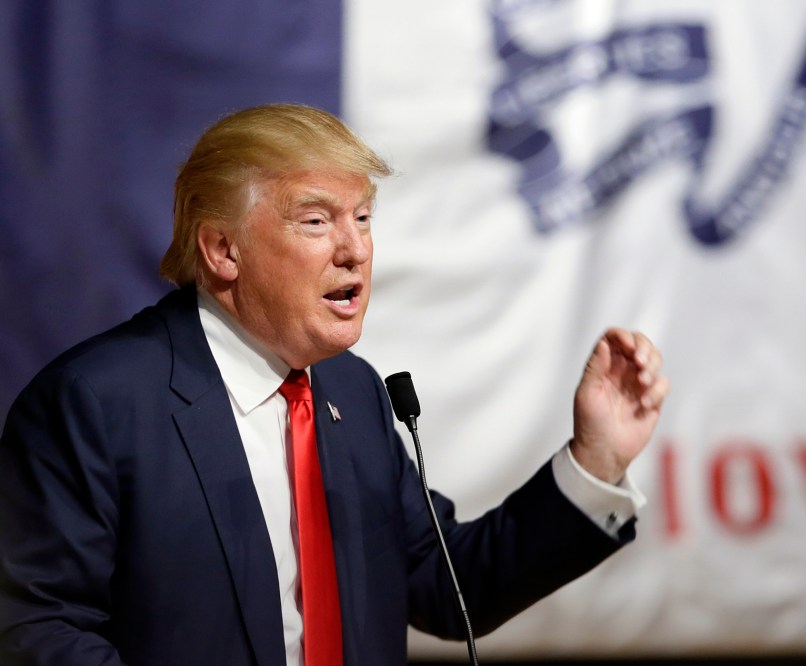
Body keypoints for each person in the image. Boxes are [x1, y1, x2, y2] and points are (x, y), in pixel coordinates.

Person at [0, 103, 670, 666]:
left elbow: (447, 583)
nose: (355, 249)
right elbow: (38, 630)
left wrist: (597, 460)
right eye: (316, 221)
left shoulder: (351, 393)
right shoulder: (95, 404)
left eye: (363, 217)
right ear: (222, 250)